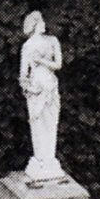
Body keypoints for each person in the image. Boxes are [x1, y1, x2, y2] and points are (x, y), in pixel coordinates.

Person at [18, 11, 65, 179]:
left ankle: (49, 159)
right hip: (36, 88)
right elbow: (23, 75)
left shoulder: (53, 41)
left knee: (51, 122)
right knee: (37, 123)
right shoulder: (28, 46)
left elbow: (58, 64)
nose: (44, 23)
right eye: (41, 21)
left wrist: (41, 61)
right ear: (34, 24)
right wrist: (30, 90)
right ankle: (40, 160)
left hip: (50, 85)